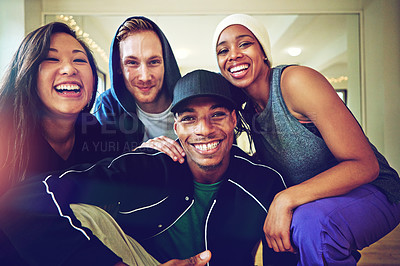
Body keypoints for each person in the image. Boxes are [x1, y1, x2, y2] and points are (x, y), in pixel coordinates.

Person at [0, 69, 289, 266]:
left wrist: (286, 200)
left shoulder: (263, 182)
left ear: (234, 121)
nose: (204, 129)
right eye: (189, 118)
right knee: (82, 213)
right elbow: (22, 201)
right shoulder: (146, 167)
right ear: (176, 128)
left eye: (217, 115)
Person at [209, 13, 400, 265]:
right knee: (278, 230)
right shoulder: (246, 110)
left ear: (264, 51)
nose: (233, 54)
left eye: (245, 43)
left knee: (311, 224)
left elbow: (366, 165)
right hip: (312, 204)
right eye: (223, 50)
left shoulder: (295, 82)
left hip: (375, 191)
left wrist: (285, 198)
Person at [0, 21, 123, 197]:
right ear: (26, 73)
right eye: (52, 59)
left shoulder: (101, 137)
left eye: (79, 60)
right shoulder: (5, 139)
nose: (69, 69)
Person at [94, 16, 181, 152]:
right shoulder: (108, 104)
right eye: (132, 63)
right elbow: (105, 163)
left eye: (153, 62)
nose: (145, 77)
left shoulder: (188, 99)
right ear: (119, 68)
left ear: (166, 64)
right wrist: (141, 153)